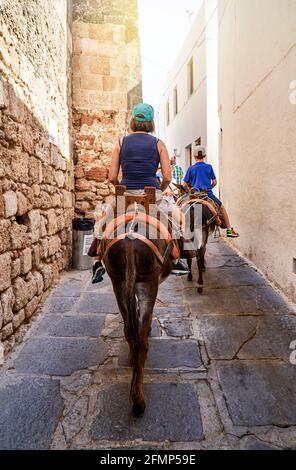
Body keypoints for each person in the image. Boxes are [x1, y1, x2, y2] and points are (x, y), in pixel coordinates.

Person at [92, 103, 190, 283]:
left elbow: (112, 176)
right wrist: (159, 191)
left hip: (125, 195)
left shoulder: (121, 142)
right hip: (152, 195)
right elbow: (167, 176)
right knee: (179, 220)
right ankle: (177, 260)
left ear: (133, 121)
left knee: (102, 222)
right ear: (151, 123)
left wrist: (119, 188)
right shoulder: (158, 143)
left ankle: (97, 261)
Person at [182, 145, 239, 238]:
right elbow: (215, 182)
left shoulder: (191, 168)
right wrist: (209, 187)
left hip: (194, 195)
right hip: (207, 194)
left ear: (194, 156)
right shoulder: (209, 167)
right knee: (221, 207)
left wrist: (189, 191)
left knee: (180, 206)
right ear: (204, 156)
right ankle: (229, 230)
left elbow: (184, 184)